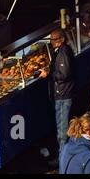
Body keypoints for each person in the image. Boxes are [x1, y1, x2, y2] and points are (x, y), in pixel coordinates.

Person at [39, 28, 75, 160]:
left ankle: (63, 160)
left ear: (61, 40)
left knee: (62, 131)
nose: (51, 42)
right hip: (61, 94)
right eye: (50, 39)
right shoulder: (60, 51)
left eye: (54, 39)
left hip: (63, 95)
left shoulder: (64, 52)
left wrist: (49, 74)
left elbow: (64, 74)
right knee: (61, 129)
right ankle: (63, 157)